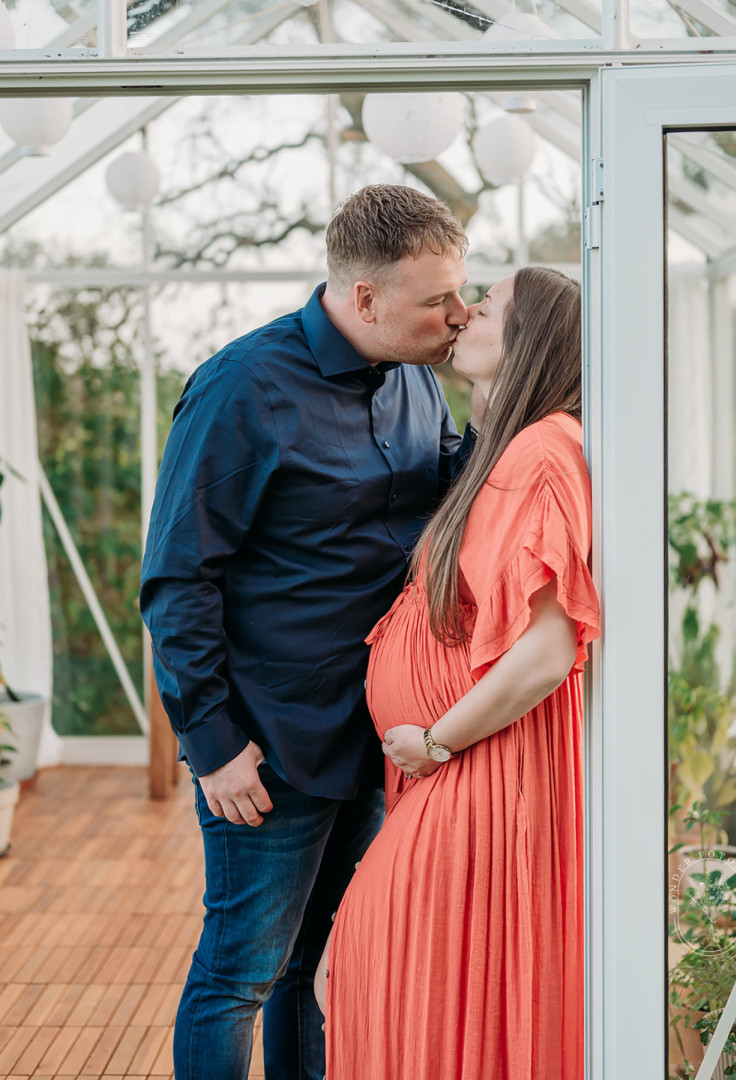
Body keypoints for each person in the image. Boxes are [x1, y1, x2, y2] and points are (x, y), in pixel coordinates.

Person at [139, 184, 477, 1080]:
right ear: (366, 299)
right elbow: (177, 579)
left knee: (316, 966)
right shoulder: (241, 387)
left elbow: (443, 493)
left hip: (372, 735)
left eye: (464, 292)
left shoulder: (415, 379)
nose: (460, 313)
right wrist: (213, 745)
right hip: (271, 746)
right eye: (438, 298)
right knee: (239, 976)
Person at [319, 265, 601, 1080]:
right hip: (463, 771)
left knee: (394, 983)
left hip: (474, 773)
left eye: (492, 305)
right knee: (394, 986)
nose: (468, 311)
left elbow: (550, 649)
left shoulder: (542, 450)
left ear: (535, 341)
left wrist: (436, 741)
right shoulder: (514, 447)